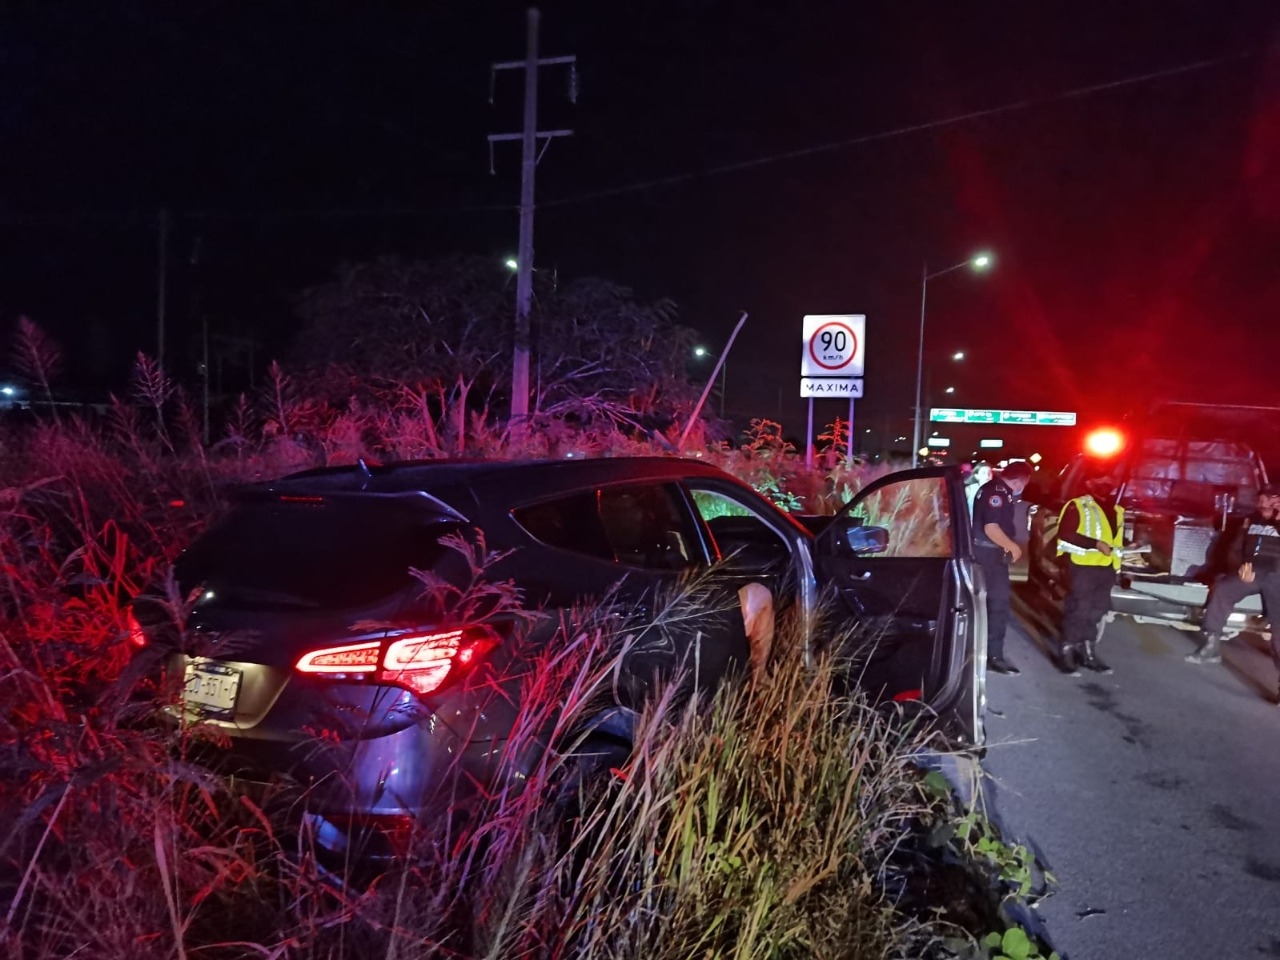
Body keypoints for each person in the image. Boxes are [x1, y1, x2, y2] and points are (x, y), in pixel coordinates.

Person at [1184, 483, 1280, 699]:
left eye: (1270, 499)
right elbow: (1235, 549)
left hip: (1278, 576)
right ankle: (1212, 646)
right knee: (1223, 589)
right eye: (1261, 499)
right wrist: (1240, 567)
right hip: (1252, 572)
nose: (1264, 503)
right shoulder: (1250, 520)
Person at [1055, 474, 1123, 675]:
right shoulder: (1078, 505)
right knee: (1079, 609)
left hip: (1106, 567)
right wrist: (1095, 544)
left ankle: (1087, 653)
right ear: (1090, 484)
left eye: (1109, 483)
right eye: (1101, 482)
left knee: (1097, 610)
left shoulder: (1117, 510)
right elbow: (1066, 534)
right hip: (1082, 566)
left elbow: (1114, 540)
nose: (1106, 486)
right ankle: (1067, 651)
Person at [972, 460, 1033, 675]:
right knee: (998, 606)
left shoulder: (996, 490)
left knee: (990, 605)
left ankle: (986, 652)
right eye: (1024, 484)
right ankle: (993, 656)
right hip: (988, 554)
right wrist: (1012, 547)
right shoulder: (996, 492)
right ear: (1019, 481)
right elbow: (991, 527)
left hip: (989, 553)